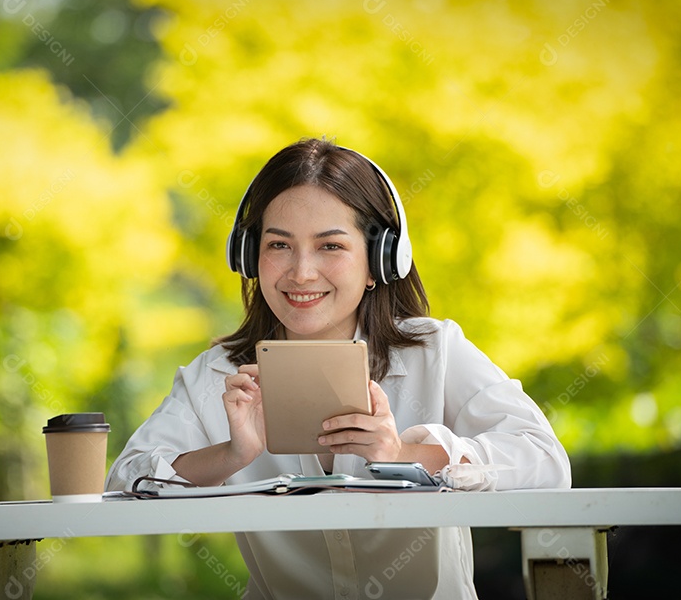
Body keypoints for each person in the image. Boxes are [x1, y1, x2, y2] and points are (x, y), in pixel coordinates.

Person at [106, 138, 571, 599]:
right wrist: (231, 454)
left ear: (379, 262)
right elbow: (126, 481)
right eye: (279, 245)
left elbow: (545, 461)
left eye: (330, 245)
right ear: (250, 257)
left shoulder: (435, 351)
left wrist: (402, 455)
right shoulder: (218, 374)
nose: (302, 272)